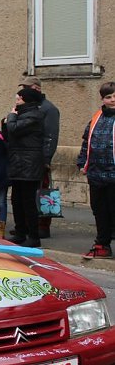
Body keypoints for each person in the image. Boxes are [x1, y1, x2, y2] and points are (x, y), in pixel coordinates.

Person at [2, 86, 46, 247]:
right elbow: (8, 133)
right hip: (17, 162)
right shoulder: (21, 115)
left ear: (26, 100)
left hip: (29, 163)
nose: (16, 101)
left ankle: (33, 236)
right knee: (16, 200)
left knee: (28, 201)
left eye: (19, 98)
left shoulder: (34, 115)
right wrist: (7, 121)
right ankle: (20, 232)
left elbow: (13, 128)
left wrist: (11, 117)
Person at [77, 81, 115, 259]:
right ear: (103, 99)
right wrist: (82, 162)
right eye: (108, 97)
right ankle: (102, 245)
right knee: (100, 211)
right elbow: (87, 143)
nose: (112, 99)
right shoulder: (96, 118)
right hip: (96, 173)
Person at [19, 76, 60, 239]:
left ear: (36, 88)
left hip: (39, 157)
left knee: (43, 192)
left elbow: (51, 135)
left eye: (25, 88)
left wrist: (46, 159)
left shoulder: (48, 109)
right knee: (27, 195)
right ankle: (28, 225)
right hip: (26, 158)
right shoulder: (28, 107)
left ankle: (43, 226)